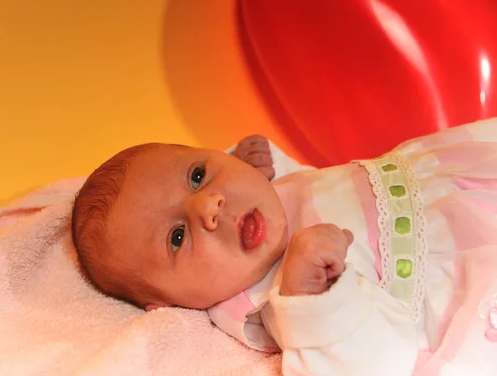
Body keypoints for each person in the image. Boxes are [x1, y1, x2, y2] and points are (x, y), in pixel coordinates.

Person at [71, 120, 497, 375]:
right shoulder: (260, 302)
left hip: (455, 181)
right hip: (461, 279)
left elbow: (314, 188)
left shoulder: (263, 199)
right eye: (177, 237)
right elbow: (372, 365)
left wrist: (251, 162)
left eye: (198, 175)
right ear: (165, 303)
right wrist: (316, 300)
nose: (210, 205)